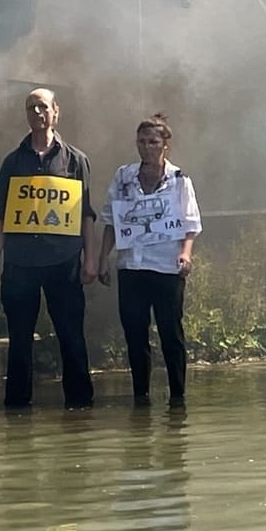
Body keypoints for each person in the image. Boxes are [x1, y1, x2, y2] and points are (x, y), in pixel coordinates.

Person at [0, 88, 99, 408]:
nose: (37, 112)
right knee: (19, 340)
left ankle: (80, 407)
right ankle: (18, 409)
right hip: (20, 264)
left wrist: (91, 259)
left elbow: (86, 214)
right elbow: (1, 216)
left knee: (71, 336)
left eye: (42, 107)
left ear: (56, 112)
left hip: (63, 262)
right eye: (30, 108)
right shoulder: (12, 162)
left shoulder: (76, 160)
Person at [99, 114, 202, 405]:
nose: (147, 147)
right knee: (135, 333)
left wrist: (185, 254)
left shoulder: (180, 180)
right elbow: (111, 221)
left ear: (165, 146)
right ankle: (141, 395)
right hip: (132, 265)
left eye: (153, 142)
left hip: (167, 267)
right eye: (142, 142)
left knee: (171, 332)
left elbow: (190, 224)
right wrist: (102, 257)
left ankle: (178, 395)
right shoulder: (123, 178)